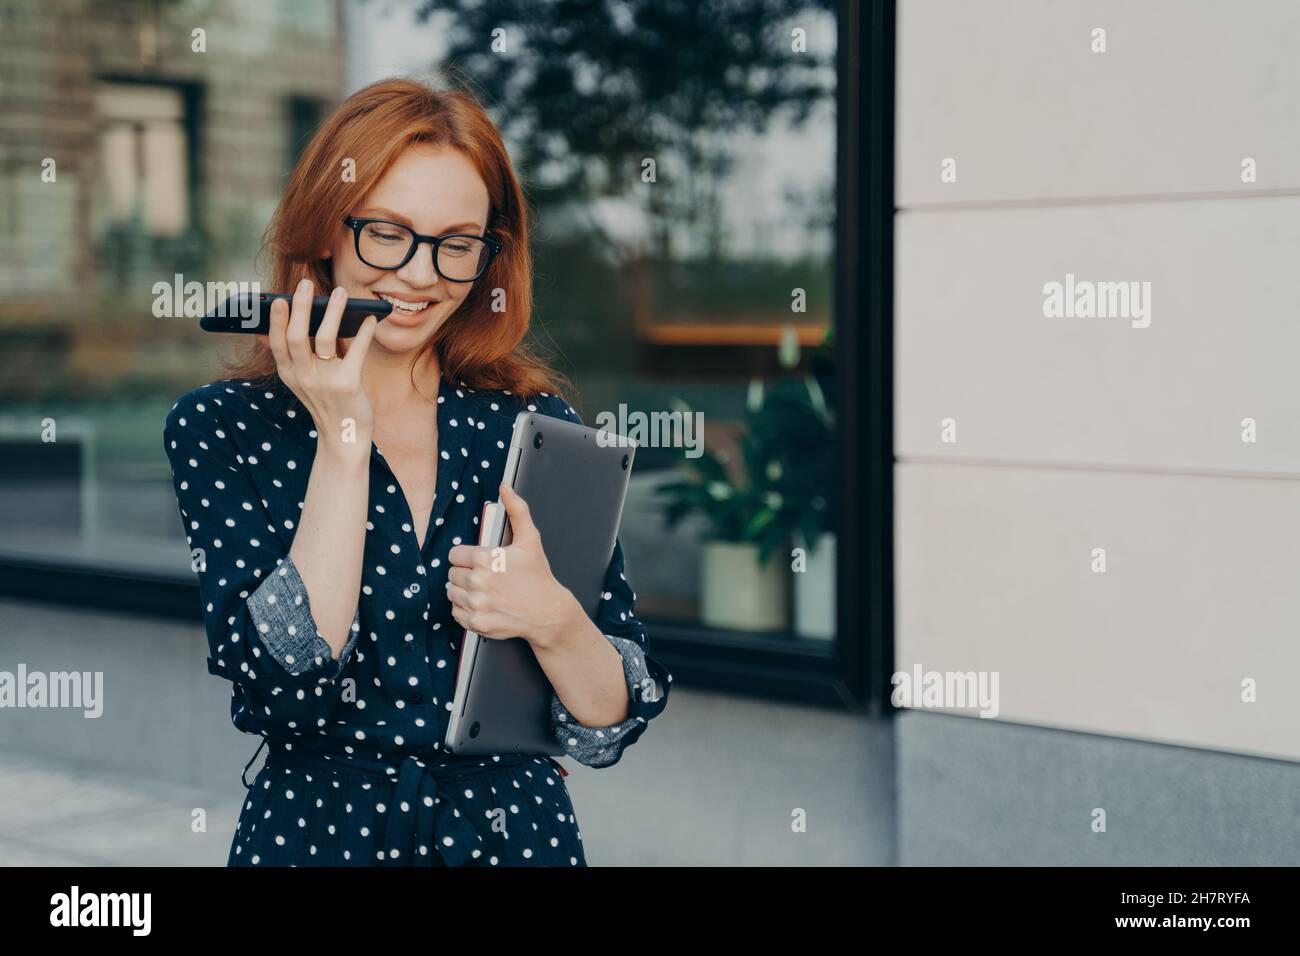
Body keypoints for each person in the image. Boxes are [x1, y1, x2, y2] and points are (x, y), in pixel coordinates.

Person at [161, 78, 671, 867]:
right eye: (387, 234)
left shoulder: (537, 432)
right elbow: (287, 686)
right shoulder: (224, 427)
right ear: (325, 231)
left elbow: (608, 727)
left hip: (514, 839)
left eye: (456, 243)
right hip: (317, 838)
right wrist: (342, 435)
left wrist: (551, 618)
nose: (420, 275)